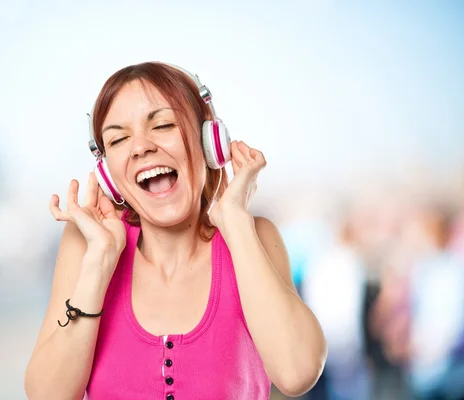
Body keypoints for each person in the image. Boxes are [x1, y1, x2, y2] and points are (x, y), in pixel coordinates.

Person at [24, 62, 327, 400]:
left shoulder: (253, 237)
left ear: (210, 141)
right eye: (119, 138)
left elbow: (298, 373)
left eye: (164, 125)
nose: (141, 147)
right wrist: (98, 264)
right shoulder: (86, 246)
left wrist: (235, 222)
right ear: (107, 172)